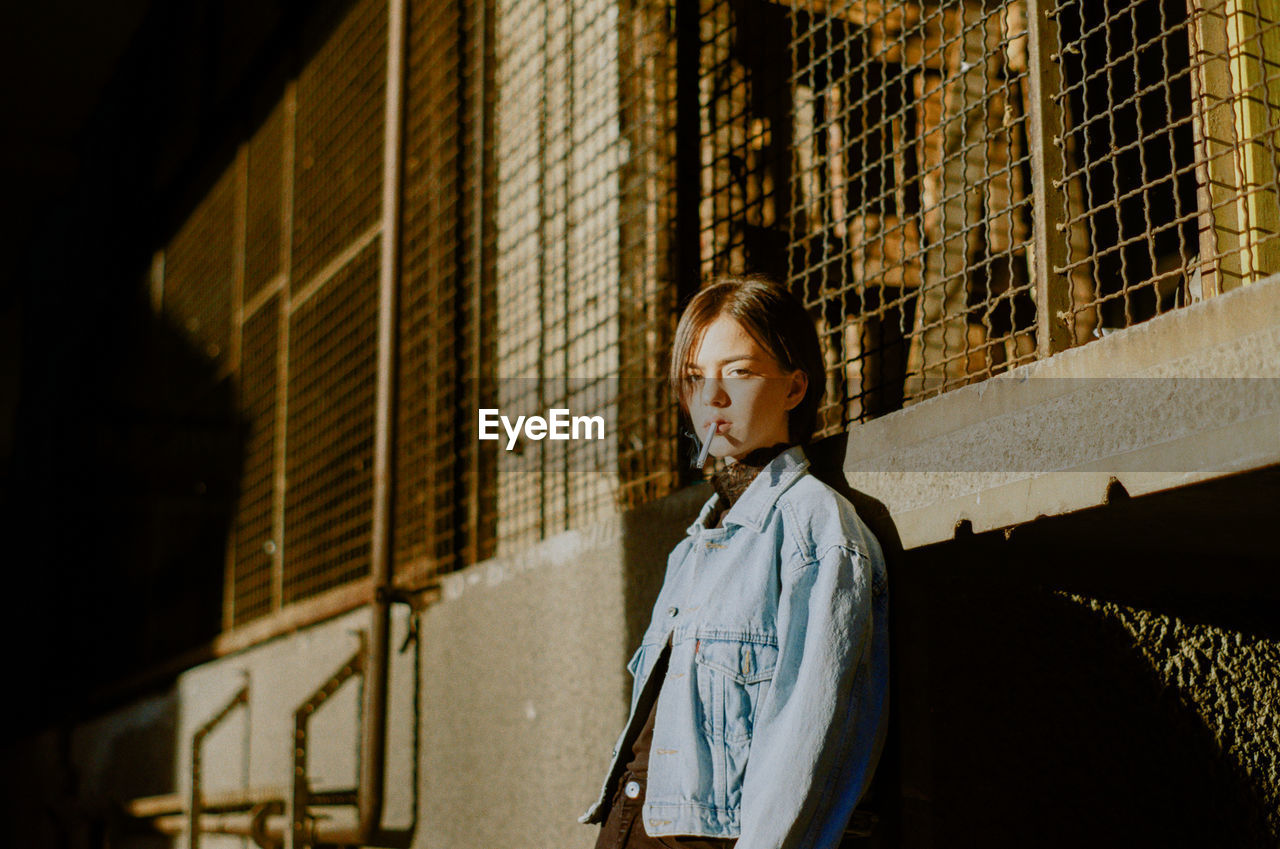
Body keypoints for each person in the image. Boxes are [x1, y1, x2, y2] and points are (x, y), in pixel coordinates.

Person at [581, 276, 889, 849]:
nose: (712, 397)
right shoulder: (692, 549)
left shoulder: (817, 532)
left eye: (739, 371)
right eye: (696, 378)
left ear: (795, 387)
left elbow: (812, 747)